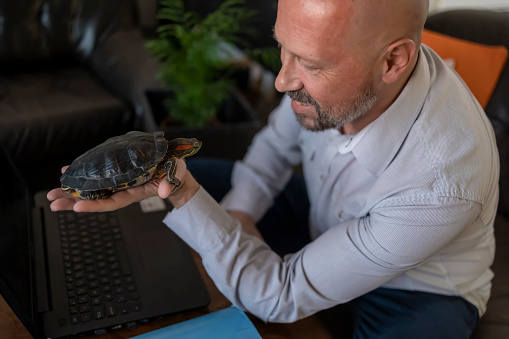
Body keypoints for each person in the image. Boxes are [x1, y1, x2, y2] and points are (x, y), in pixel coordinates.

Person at [48, 0, 499, 337]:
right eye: (284, 49)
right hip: (325, 219)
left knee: (188, 191)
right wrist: (240, 214)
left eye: (310, 62)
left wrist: (185, 196)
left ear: (392, 61)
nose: (283, 80)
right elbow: (275, 147)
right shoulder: (325, 82)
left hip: (419, 290)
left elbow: (279, 298)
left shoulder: (443, 181)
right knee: (192, 174)